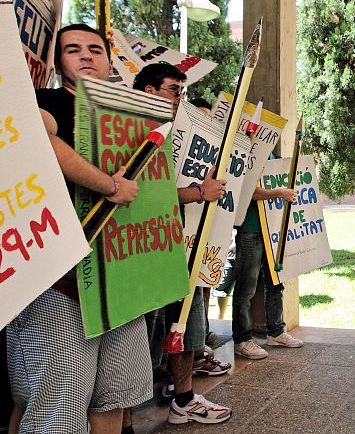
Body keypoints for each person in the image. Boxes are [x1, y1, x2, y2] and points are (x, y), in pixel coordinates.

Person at [7, 24, 150, 434]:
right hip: (60, 280)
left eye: (94, 49)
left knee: (113, 397)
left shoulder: (129, 115)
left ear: (110, 62)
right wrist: (109, 185)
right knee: (54, 403)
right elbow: (33, 137)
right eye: (73, 49)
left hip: (122, 279)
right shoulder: (46, 101)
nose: (86, 55)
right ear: (57, 63)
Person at [133, 63, 233, 425]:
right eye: (175, 90)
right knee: (144, 332)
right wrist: (197, 193)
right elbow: (141, 191)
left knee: (187, 324)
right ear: (149, 92)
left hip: (180, 248)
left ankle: (184, 396)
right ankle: (126, 412)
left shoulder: (178, 132)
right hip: (144, 253)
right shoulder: (132, 133)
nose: (181, 99)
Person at [232, 179, 302, 360]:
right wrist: (279, 193)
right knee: (246, 287)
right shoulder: (251, 157)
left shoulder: (275, 159)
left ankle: (276, 332)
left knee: (276, 283)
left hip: (273, 229)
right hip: (250, 229)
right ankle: (242, 340)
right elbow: (249, 192)